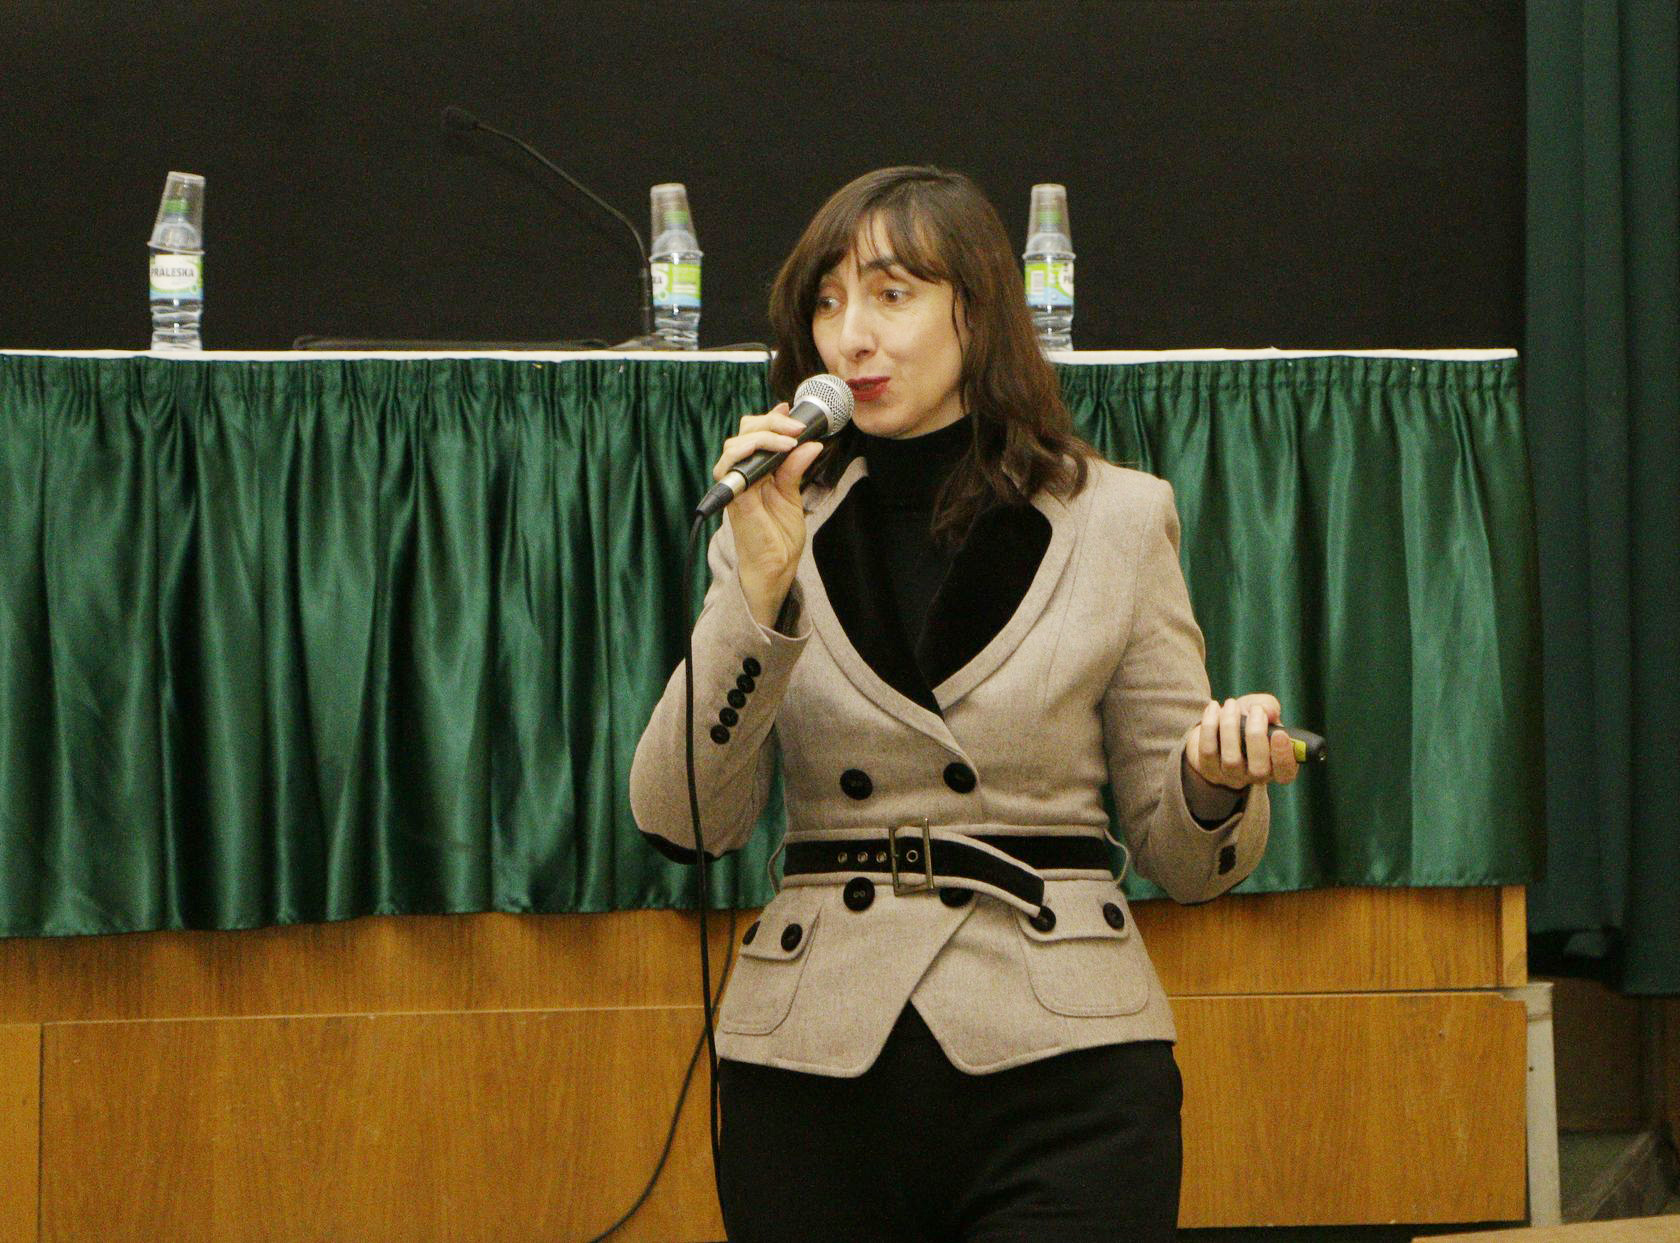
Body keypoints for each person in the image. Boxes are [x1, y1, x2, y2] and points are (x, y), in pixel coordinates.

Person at [630, 165, 1299, 1243]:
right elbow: (681, 817)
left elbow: (1187, 860)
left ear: (978, 313)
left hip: (1065, 1059)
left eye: (891, 294)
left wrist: (1211, 782)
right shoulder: (774, 524)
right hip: (813, 1060)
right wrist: (755, 594)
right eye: (827, 302)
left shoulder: (1119, 519)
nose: (851, 336)